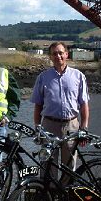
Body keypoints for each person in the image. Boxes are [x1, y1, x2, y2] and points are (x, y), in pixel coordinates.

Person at [30, 41, 89, 179]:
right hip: (49, 126)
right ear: (50, 57)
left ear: (66, 54)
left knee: (70, 167)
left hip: (71, 126)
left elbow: (84, 104)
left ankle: (66, 198)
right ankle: (49, 198)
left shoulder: (78, 76)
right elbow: (38, 105)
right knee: (47, 165)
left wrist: (84, 127)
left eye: (61, 53)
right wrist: (37, 127)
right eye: (54, 53)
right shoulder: (43, 77)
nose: (58, 56)